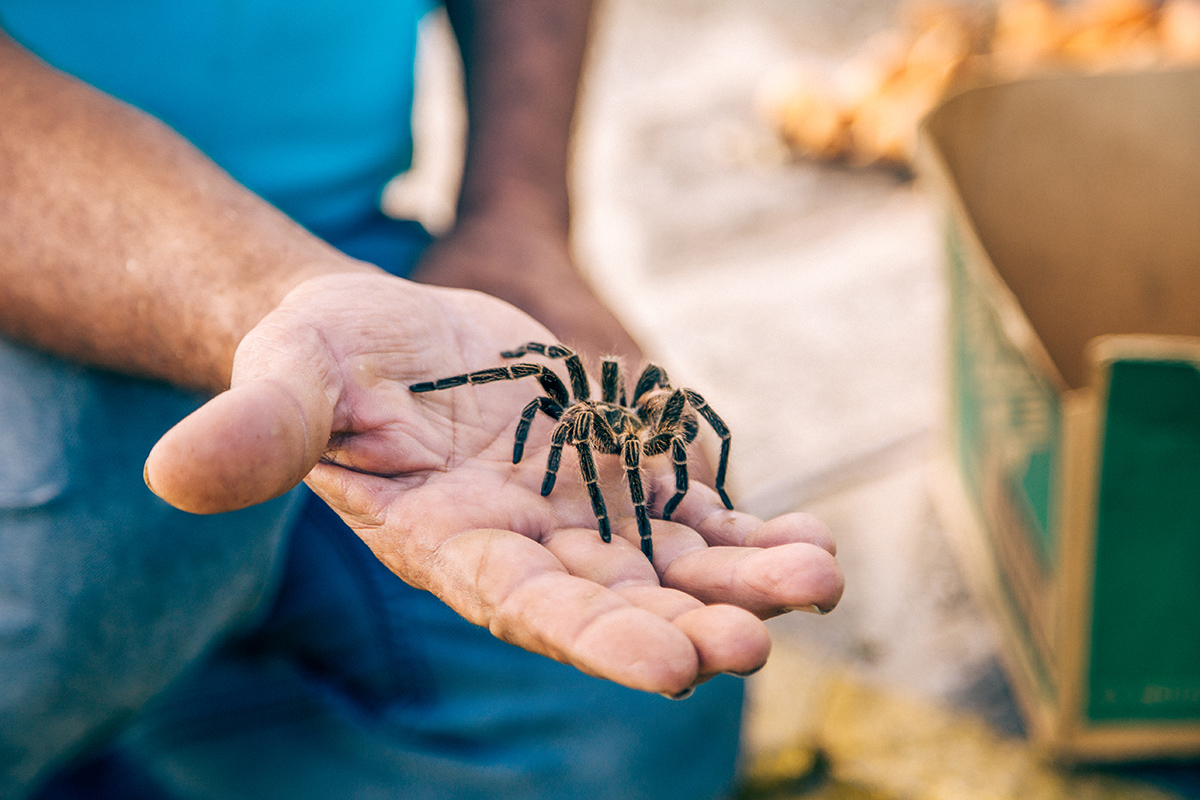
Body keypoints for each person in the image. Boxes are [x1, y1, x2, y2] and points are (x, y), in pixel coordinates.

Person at [0, 2, 844, 798]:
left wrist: (518, 220)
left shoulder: (625, 411)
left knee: (632, 726)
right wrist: (289, 300)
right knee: (89, 526)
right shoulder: (571, 422)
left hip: (352, 228)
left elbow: (692, 420)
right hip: (55, 255)